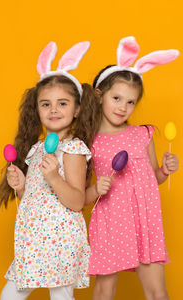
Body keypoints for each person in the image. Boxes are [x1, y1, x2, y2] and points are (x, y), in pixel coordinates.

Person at [0, 41, 97, 300]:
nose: (53, 110)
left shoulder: (72, 149)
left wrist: (53, 176)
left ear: (77, 110)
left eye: (62, 103)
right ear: (37, 109)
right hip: (34, 238)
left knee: (60, 296)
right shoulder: (37, 149)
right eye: (45, 104)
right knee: (10, 295)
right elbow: (36, 197)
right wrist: (21, 186)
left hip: (60, 240)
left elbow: (76, 201)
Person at [85, 37, 179, 300]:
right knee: (104, 290)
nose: (123, 107)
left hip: (144, 220)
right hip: (110, 222)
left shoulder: (142, 134)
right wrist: (96, 187)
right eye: (116, 98)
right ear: (99, 95)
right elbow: (81, 193)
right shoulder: (89, 140)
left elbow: (153, 177)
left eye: (130, 102)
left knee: (157, 292)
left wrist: (164, 170)